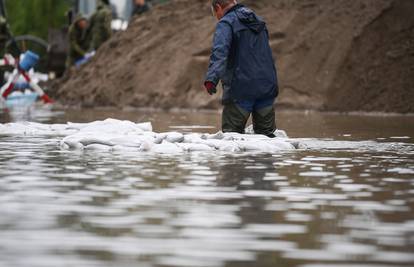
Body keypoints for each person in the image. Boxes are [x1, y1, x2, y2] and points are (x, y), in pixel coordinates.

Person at [204, 0, 279, 137]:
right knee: (267, 139)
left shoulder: (226, 23)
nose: (216, 17)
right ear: (234, 2)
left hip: (241, 88)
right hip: (267, 86)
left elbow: (220, 53)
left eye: (214, 13)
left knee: (231, 139)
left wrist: (211, 79)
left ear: (218, 7)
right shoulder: (258, 21)